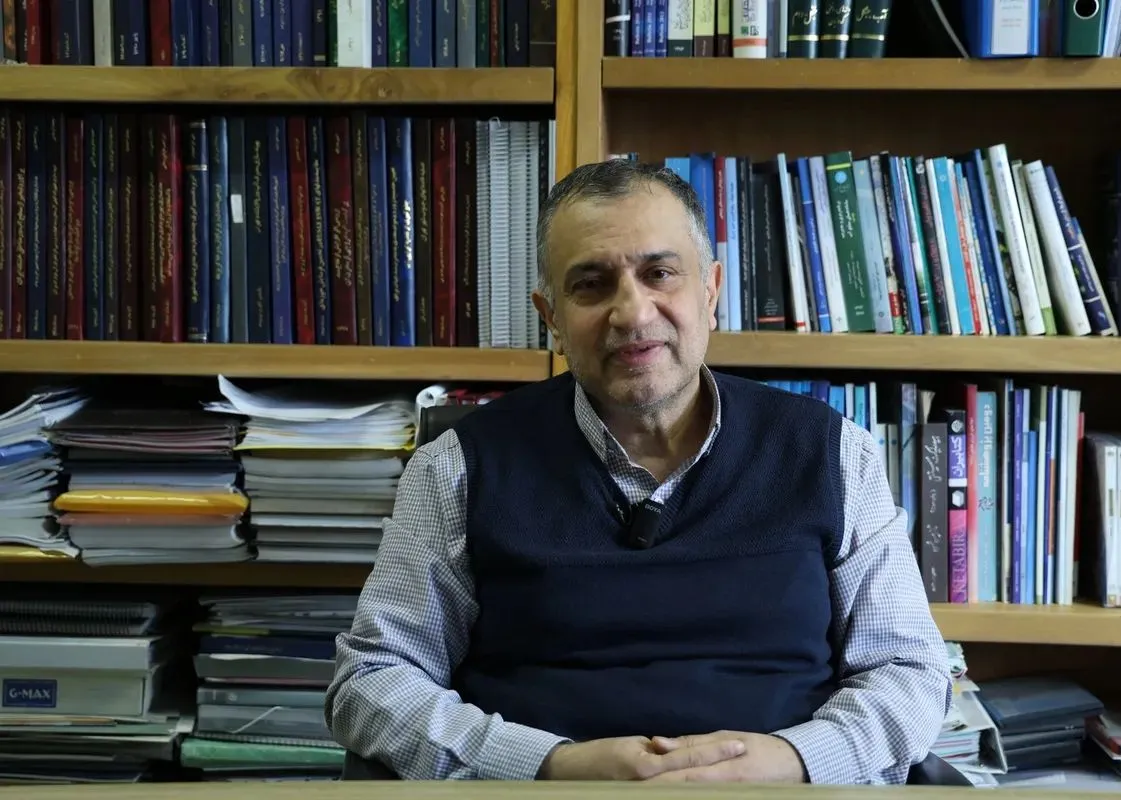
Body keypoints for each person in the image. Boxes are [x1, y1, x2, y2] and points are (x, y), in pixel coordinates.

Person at [324, 158, 951, 784]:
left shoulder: (832, 453)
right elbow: (373, 680)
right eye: (591, 284)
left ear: (711, 292)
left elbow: (908, 673)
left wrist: (793, 761)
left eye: (659, 274)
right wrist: (549, 766)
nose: (632, 312)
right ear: (552, 319)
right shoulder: (458, 467)